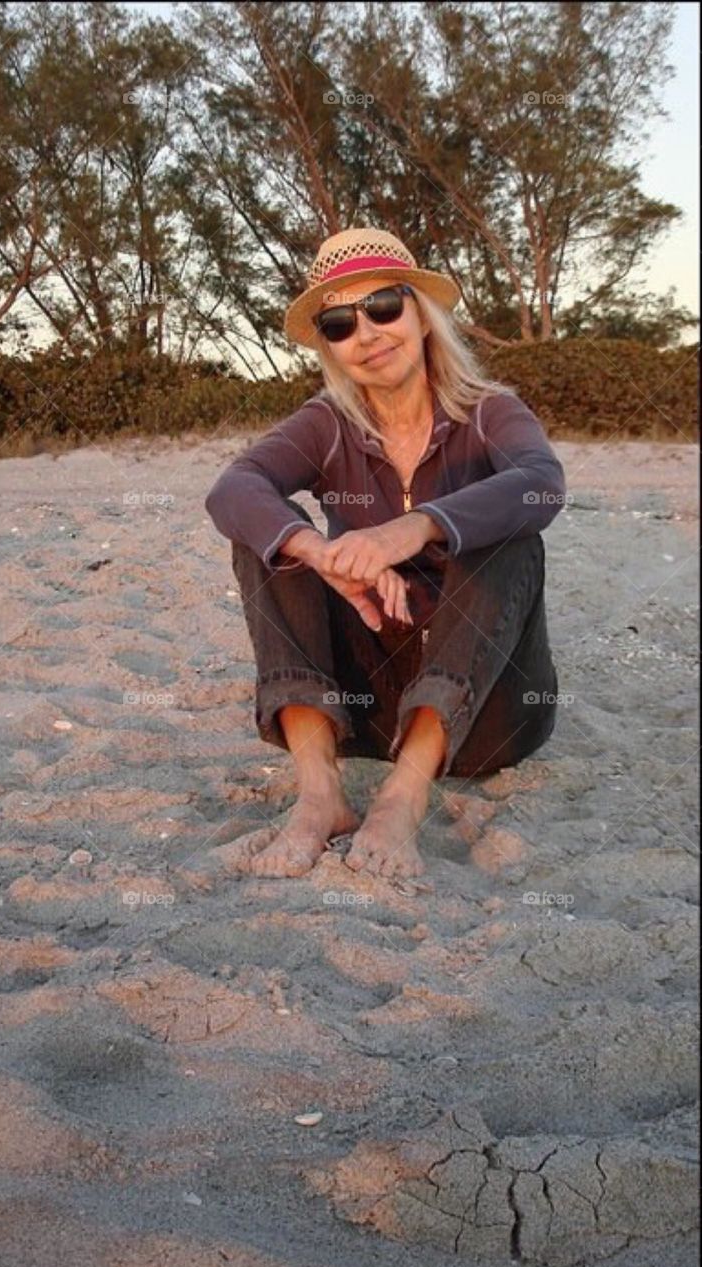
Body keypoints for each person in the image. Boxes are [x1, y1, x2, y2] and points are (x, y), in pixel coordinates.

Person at [205, 227, 566, 882]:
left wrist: (417, 527)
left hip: (483, 714)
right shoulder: (327, 422)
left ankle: (403, 797)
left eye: (383, 307)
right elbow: (233, 488)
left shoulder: (490, 413)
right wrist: (320, 552)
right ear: (329, 347)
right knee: (269, 541)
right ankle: (320, 798)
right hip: (367, 706)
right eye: (339, 323)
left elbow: (542, 484)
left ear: (420, 314)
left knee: (513, 537)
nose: (366, 334)